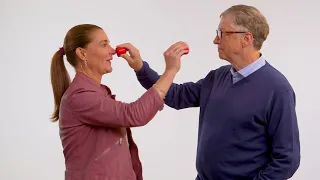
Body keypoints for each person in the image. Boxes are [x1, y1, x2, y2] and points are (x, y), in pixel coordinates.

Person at [132, 4, 301, 180]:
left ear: (246, 38)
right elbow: (176, 95)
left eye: (222, 33)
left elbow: (287, 159)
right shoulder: (217, 77)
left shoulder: (277, 89)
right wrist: (140, 67)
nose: (215, 40)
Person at [49, 24, 187, 180]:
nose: (113, 50)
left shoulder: (97, 92)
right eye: (104, 44)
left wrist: (140, 68)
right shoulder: (80, 96)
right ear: (82, 53)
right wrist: (170, 71)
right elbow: (134, 114)